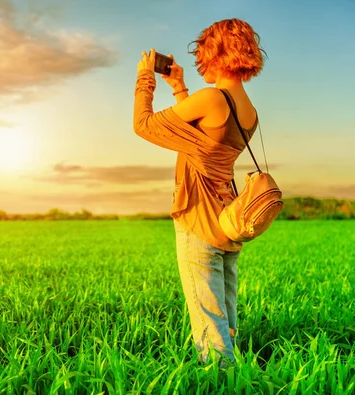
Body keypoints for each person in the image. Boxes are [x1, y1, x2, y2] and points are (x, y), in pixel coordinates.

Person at [133, 18, 265, 366]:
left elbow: (143, 125)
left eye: (203, 54)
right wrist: (178, 87)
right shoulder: (249, 111)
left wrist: (145, 77)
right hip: (226, 219)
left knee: (208, 320)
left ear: (216, 53)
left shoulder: (210, 98)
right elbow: (204, 137)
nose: (198, 63)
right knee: (225, 313)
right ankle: (237, 373)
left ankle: (222, 380)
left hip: (198, 219)